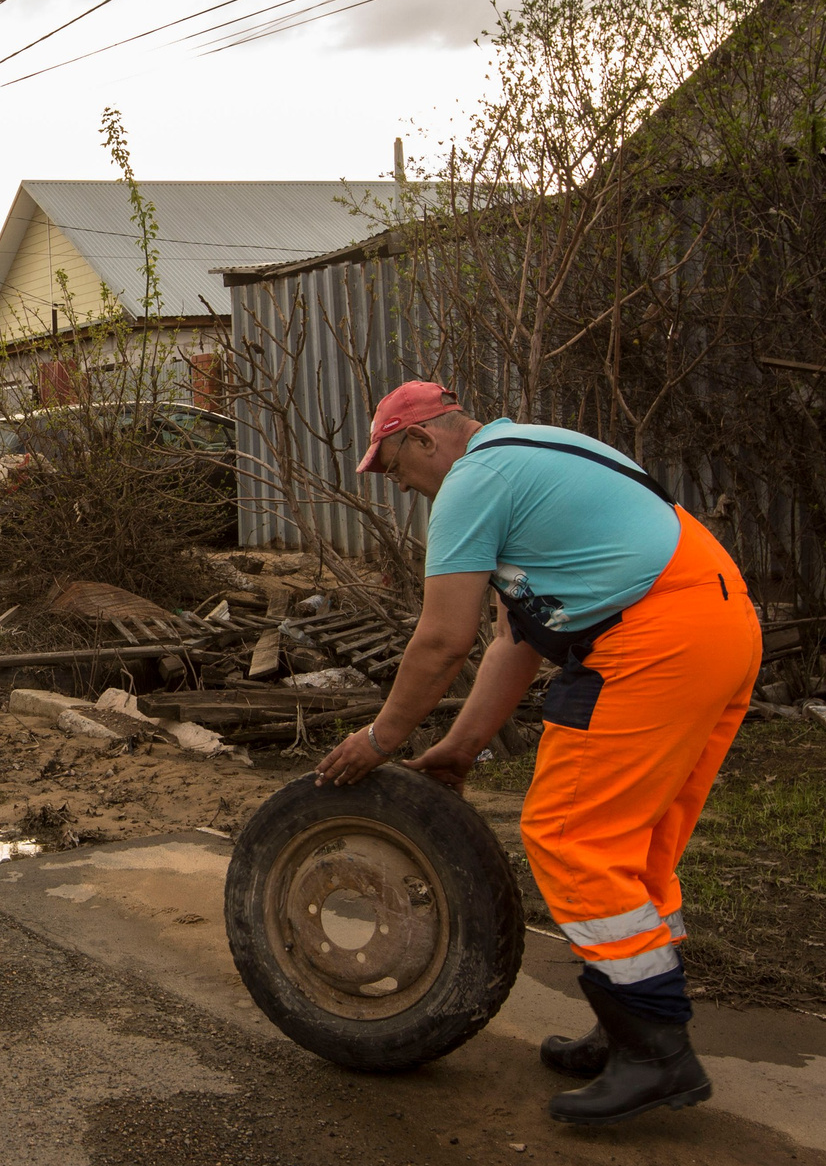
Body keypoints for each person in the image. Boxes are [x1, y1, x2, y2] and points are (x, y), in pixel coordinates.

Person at [314, 381, 762, 1126]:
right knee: (637, 845)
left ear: (425, 439)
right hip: (718, 624)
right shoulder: (533, 455)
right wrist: (459, 748)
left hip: (654, 638)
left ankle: (656, 1054)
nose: (401, 486)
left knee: (569, 834)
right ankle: (630, 1027)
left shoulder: (475, 479)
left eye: (394, 467)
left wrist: (378, 739)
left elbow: (440, 639)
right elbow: (512, 641)